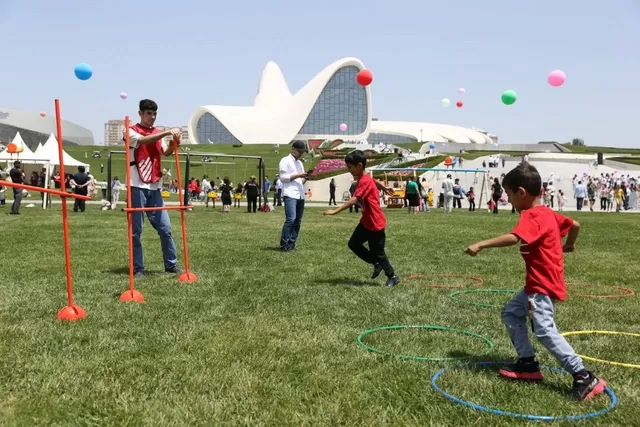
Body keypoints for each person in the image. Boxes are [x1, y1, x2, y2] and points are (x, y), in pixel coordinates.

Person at [464, 162, 606, 401]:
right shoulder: (548, 213)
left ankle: (584, 376)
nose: (508, 200)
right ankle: (527, 364)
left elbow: (514, 238)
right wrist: (570, 243)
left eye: (509, 195)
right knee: (511, 313)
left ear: (521, 192)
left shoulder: (532, 215)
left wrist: (481, 244)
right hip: (538, 282)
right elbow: (575, 224)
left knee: (544, 331)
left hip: (542, 284)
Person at [323, 150, 400, 287]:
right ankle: (376, 263)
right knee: (353, 244)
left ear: (359, 166)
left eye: (350, 167)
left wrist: (335, 211)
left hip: (375, 222)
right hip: (366, 222)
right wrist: (383, 186)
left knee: (379, 253)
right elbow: (373, 180)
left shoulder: (363, 180)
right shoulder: (365, 176)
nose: (349, 170)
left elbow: (354, 200)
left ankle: (393, 276)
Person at [126, 99, 183, 278]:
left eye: (154, 114)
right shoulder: (130, 131)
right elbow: (143, 141)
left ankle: (171, 264)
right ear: (140, 114)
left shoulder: (158, 133)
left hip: (155, 186)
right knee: (136, 231)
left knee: (165, 228)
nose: (152, 117)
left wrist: (175, 143)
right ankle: (138, 268)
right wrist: (166, 132)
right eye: (149, 113)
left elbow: (165, 151)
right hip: (137, 186)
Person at [279, 141, 309, 251]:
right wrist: (299, 175)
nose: (301, 154)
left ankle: (292, 243)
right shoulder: (285, 161)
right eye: (299, 151)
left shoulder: (299, 163)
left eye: (302, 152)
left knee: (298, 221)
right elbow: (283, 178)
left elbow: (300, 181)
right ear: (293, 149)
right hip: (290, 193)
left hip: (300, 194)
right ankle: (284, 244)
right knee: (291, 219)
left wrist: (306, 177)